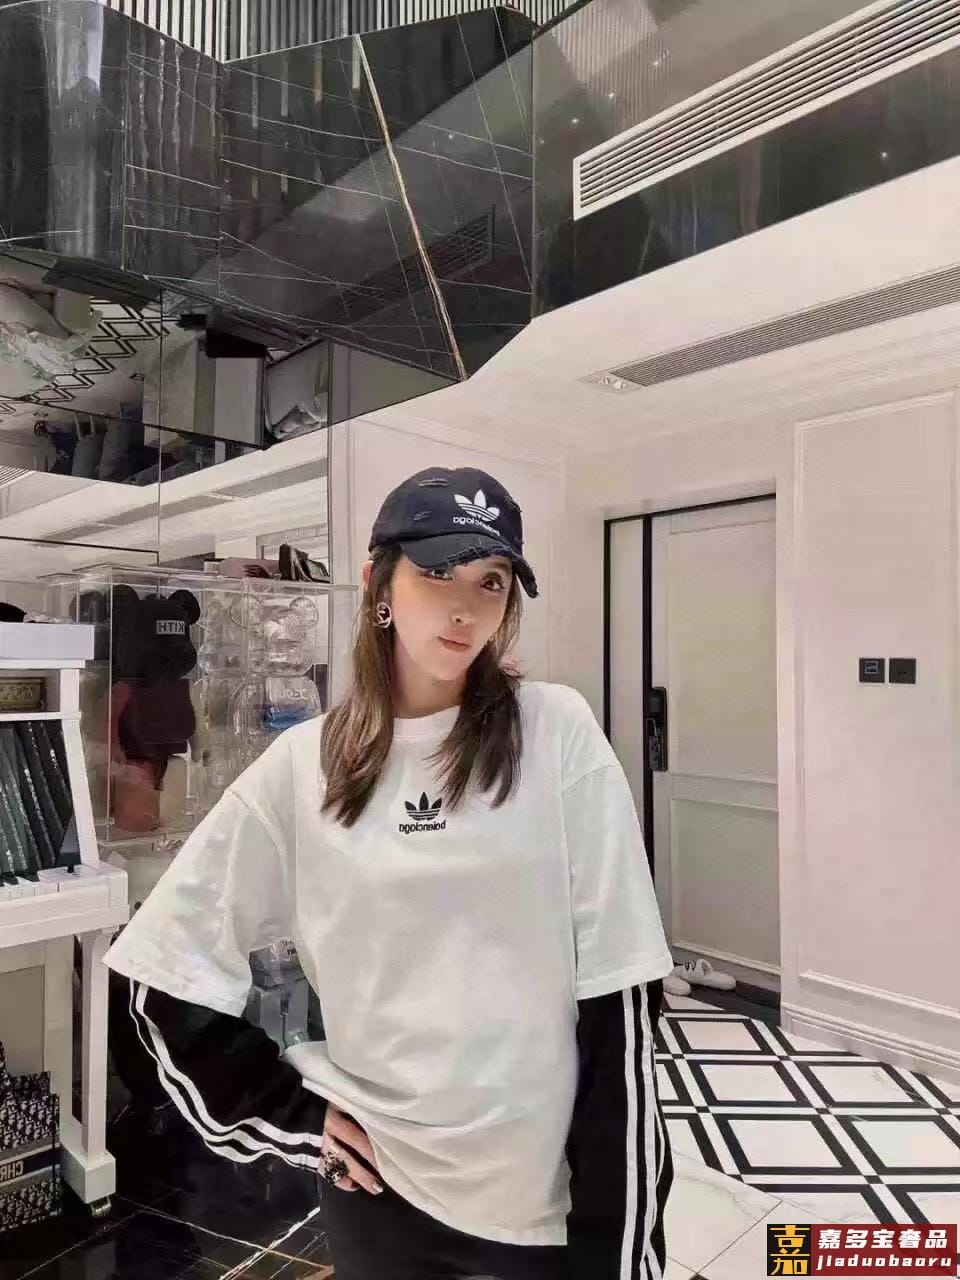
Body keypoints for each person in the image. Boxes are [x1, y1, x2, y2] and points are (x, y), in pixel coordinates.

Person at [103, 465, 675, 1280]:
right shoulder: (303, 766)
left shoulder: (556, 734)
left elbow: (620, 1004)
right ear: (378, 583)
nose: (466, 607)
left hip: (536, 1214)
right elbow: (161, 969)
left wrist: (618, 1248)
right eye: (439, 572)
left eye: (492, 581)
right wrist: (290, 1116)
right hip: (375, 1201)